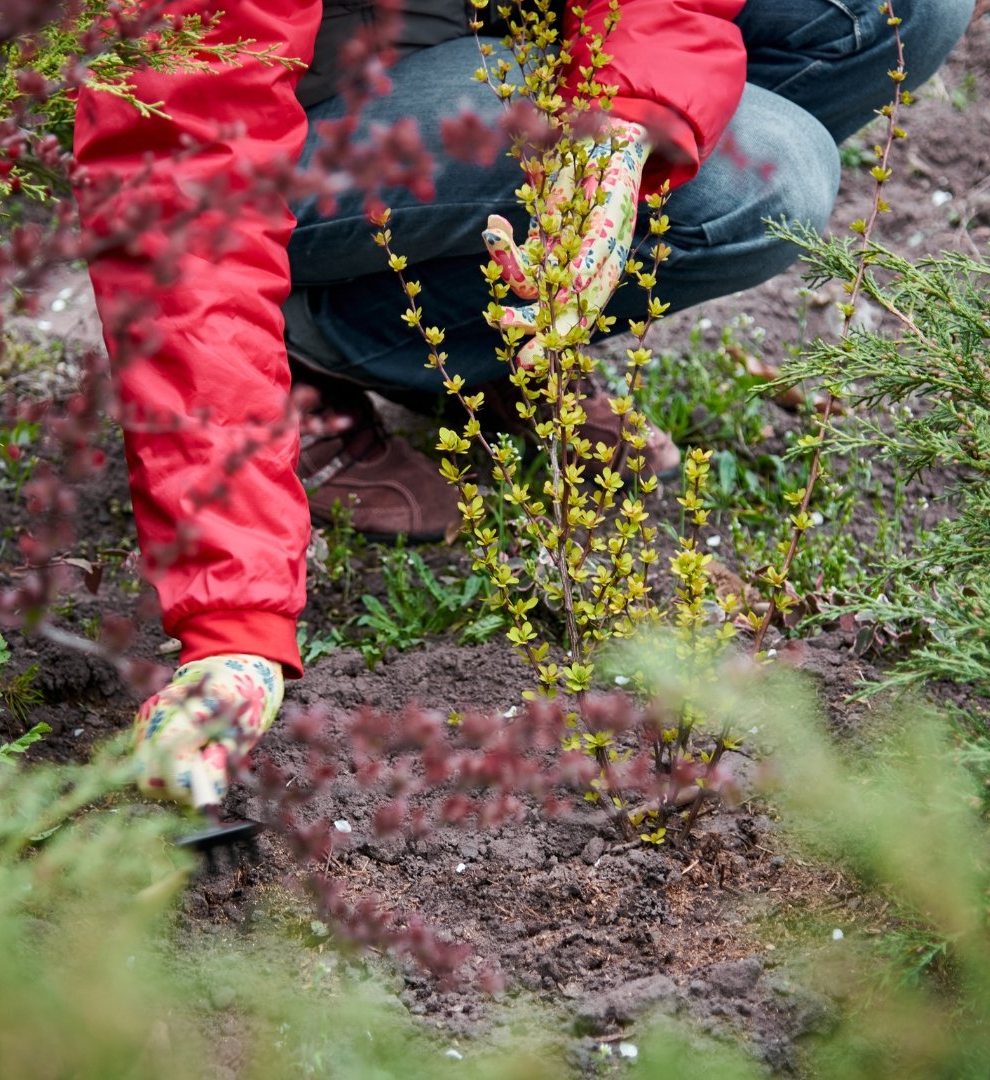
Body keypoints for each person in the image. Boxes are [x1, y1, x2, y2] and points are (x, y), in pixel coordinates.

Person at [74, 0, 973, 808]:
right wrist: (235, 619)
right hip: (290, 118)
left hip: (477, 31)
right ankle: (315, 334)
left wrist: (627, 119)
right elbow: (179, 205)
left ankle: (490, 323)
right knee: (762, 174)